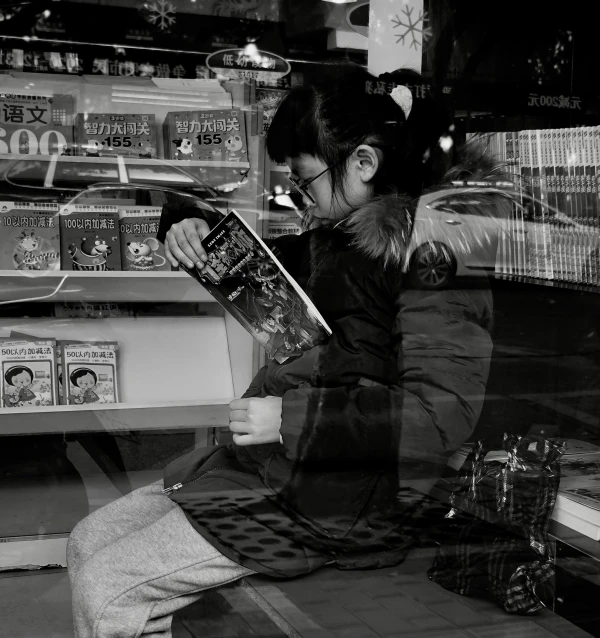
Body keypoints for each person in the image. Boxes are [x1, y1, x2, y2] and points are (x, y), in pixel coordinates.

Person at [67, 65, 511, 638]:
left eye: (304, 184)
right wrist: (187, 224)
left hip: (335, 508)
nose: (299, 201)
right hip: (277, 476)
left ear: (363, 163)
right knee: (87, 542)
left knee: (109, 584)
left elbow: (440, 415)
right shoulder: (338, 232)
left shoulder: (435, 261)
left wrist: (291, 418)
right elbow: (256, 256)